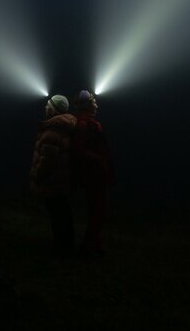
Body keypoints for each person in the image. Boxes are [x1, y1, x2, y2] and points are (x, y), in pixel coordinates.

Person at [30, 94, 77, 256]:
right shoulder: (65, 127)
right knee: (63, 212)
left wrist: (37, 174)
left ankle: (62, 249)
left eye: (47, 105)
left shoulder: (53, 130)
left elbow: (47, 159)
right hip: (61, 180)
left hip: (52, 181)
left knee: (57, 214)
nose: (44, 107)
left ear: (54, 109)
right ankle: (67, 245)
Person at [72, 89, 115, 256]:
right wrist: (98, 160)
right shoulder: (84, 124)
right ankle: (89, 248)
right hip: (93, 174)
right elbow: (78, 149)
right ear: (87, 105)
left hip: (95, 173)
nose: (97, 105)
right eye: (94, 102)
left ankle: (94, 244)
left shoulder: (88, 123)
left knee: (98, 210)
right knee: (98, 210)